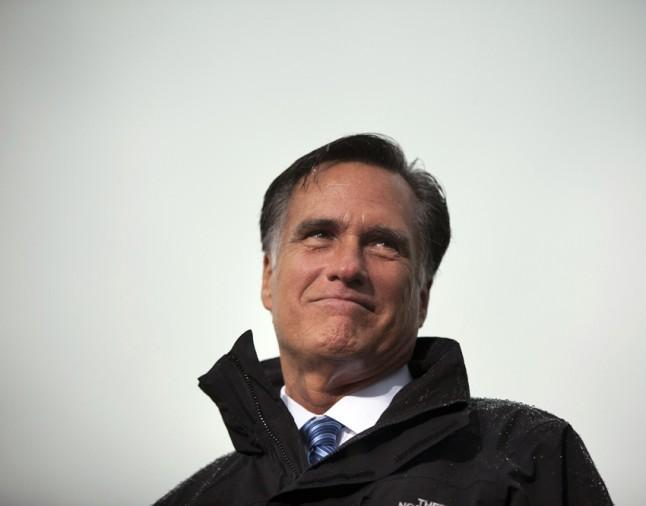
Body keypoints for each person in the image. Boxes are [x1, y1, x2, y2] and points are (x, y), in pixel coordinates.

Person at [156, 134, 612, 505]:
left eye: (382, 244)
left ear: (423, 294)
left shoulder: (528, 455)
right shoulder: (193, 500)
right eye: (318, 235)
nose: (347, 266)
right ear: (268, 275)